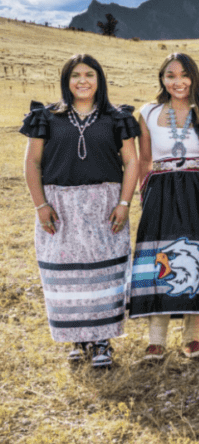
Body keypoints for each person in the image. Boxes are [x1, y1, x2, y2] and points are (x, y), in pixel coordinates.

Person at [21, 54, 140, 368]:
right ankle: (77, 338)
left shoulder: (117, 117)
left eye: (89, 74)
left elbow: (131, 162)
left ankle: (102, 340)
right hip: (60, 206)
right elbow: (32, 163)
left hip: (105, 205)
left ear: (99, 79)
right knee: (67, 275)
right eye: (76, 75)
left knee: (104, 275)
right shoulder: (45, 117)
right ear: (66, 80)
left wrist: (124, 203)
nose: (83, 81)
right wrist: (40, 205)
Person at [128, 53, 199, 361]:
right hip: (162, 188)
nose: (177, 81)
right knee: (162, 257)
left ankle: (192, 337)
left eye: (183, 75)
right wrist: (146, 193)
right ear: (162, 79)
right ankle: (156, 340)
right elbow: (144, 159)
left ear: (193, 77)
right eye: (170, 75)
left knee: (196, 255)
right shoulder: (149, 111)